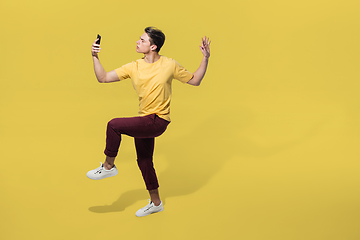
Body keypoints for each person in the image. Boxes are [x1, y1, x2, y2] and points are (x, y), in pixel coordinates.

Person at [87, 27, 211, 217]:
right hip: (144, 119)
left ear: (153, 46)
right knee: (144, 161)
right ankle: (156, 203)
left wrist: (205, 58)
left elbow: (195, 81)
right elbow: (103, 78)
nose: (137, 41)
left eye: (142, 40)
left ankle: (108, 166)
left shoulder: (169, 65)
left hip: (158, 120)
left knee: (114, 125)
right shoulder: (133, 66)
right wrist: (95, 56)